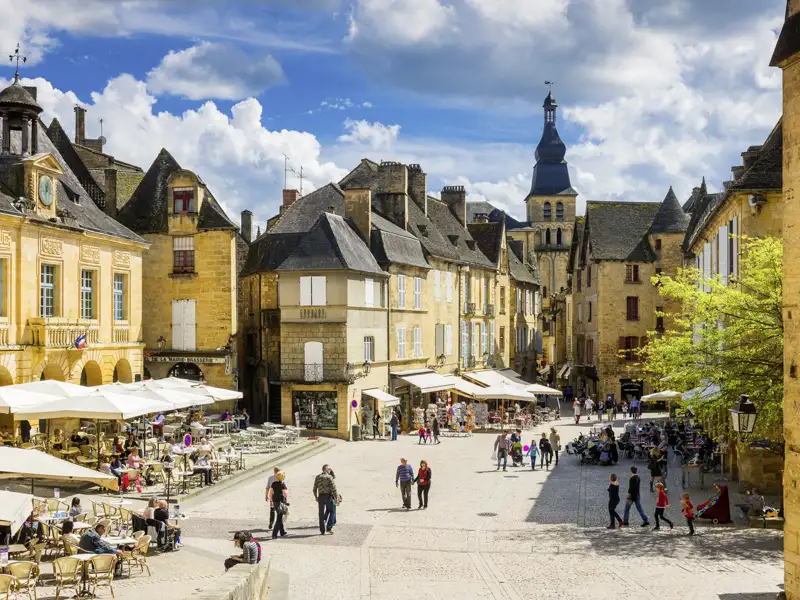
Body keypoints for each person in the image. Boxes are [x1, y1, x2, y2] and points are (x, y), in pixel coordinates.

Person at [313, 464, 338, 534]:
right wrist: (336, 497)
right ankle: (329, 527)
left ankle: (322, 530)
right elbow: (334, 488)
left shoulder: (317, 477)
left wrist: (316, 497)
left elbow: (314, 489)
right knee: (332, 510)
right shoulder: (329, 477)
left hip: (320, 497)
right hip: (328, 497)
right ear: (326, 469)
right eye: (329, 469)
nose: (330, 470)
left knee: (320, 514)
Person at [268, 472, 288, 539]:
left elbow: (270, 492)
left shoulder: (273, 483)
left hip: (275, 501)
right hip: (280, 502)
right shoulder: (282, 484)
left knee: (280, 515)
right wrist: (285, 499)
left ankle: (282, 531)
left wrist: (271, 501)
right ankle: (274, 534)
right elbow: (285, 493)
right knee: (279, 518)